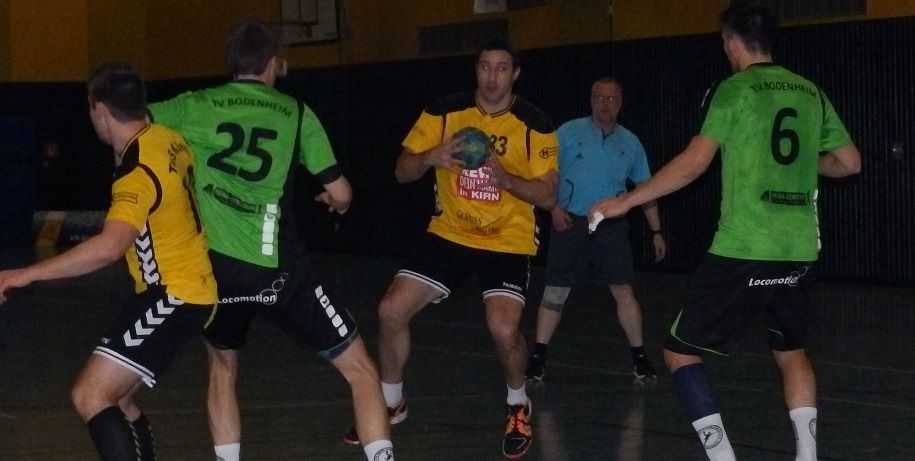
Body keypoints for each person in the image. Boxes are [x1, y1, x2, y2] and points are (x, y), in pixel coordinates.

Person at [591, 2, 861, 461]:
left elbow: (694, 163)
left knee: (679, 352)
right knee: (791, 350)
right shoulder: (810, 92)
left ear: (731, 42)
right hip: (798, 249)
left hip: (745, 246)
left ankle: (722, 458)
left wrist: (627, 201)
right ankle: (808, 455)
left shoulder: (734, 90)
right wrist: (800, 165)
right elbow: (850, 163)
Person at [146, 19, 393, 461]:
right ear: (274, 63)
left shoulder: (196, 104)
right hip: (280, 271)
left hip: (218, 271)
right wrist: (334, 202)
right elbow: (342, 193)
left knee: (222, 367)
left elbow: (134, 122)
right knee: (360, 370)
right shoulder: (296, 113)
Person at [344, 38, 558, 460]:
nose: (492, 76)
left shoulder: (535, 123)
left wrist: (507, 180)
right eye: (484, 66)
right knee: (390, 310)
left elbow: (549, 197)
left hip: (507, 239)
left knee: (503, 329)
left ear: (515, 74)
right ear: (475, 70)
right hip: (449, 233)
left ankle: (517, 405)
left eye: (501, 68)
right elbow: (402, 171)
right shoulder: (444, 112)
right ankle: (392, 402)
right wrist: (430, 157)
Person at [0, 62, 218, 461]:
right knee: (120, 401)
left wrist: (25, 273)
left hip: (175, 293)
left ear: (99, 109)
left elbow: (109, 247)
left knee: (91, 394)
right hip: (189, 288)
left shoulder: (137, 170)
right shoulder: (168, 138)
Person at [525, 77, 667, 384]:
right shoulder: (567, 133)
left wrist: (656, 231)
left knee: (624, 291)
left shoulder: (631, 143)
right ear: (591, 100)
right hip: (569, 222)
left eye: (611, 99)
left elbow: (645, 189)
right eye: (600, 98)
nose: (605, 104)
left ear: (620, 103)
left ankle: (640, 359)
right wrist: (553, 208)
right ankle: (538, 358)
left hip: (610, 227)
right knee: (555, 291)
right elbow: (543, 176)